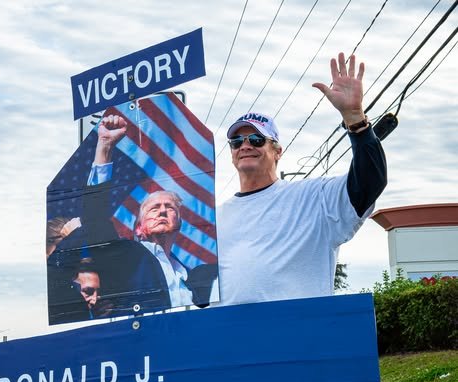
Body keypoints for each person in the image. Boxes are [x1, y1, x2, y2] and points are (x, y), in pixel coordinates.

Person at [216, 52, 387, 306]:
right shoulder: (214, 220)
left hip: (300, 338)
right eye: (237, 141)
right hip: (230, 340)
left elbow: (370, 182)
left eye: (256, 140)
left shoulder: (314, 198)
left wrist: (355, 119)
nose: (245, 146)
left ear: (277, 151)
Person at [83, 118, 217, 308]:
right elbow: (94, 219)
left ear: (179, 223)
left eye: (170, 208)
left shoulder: (194, 276)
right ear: (138, 228)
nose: (162, 210)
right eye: (154, 208)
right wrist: (105, 146)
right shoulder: (125, 256)